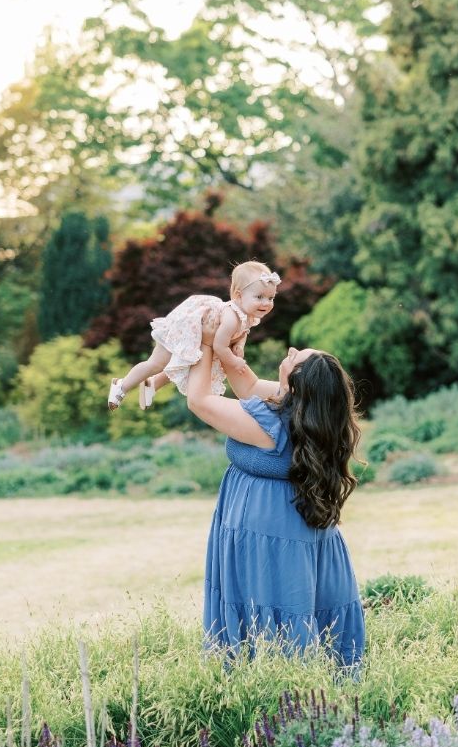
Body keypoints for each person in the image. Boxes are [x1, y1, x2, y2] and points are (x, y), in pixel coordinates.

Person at [185, 308, 365, 668]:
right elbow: (248, 385)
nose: (292, 351)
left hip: (267, 531)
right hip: (301, 523)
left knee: (273, 615)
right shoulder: (320, 412)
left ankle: (284, 697)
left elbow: (199, 401)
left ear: (295, 382)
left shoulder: (269, 425)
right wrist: (228, 348)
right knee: (303, 610)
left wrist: (204, 345)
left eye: (297, 356)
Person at [108, 262, 282, 411]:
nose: (266, 303)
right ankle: (121, 386)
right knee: (156, 363)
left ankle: (152, 384)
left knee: (186, 362)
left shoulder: (248, 316)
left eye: (271, 298)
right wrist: (233, 361)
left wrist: (240, 345)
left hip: (197, 337)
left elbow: (242, 332)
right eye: (259, 297)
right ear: (238, 295)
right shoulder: (231, 317)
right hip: (184, 329)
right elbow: (220, 347)